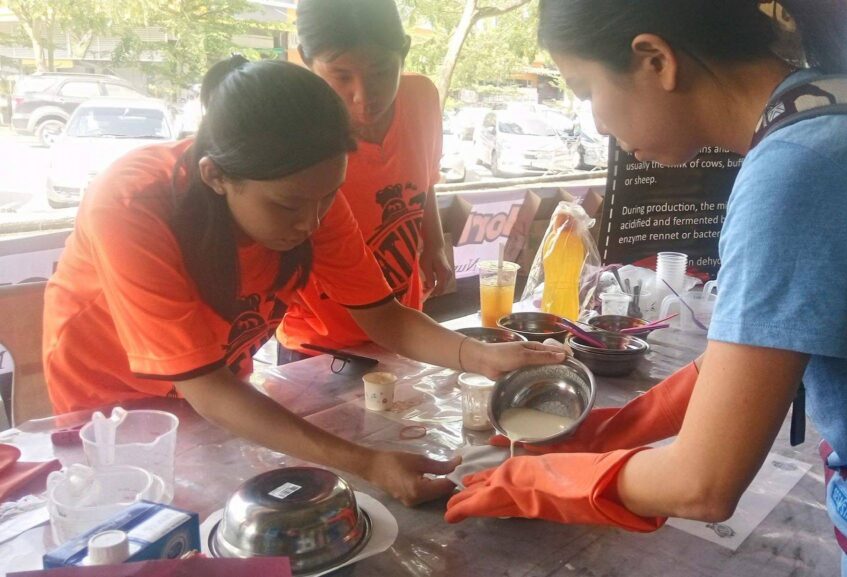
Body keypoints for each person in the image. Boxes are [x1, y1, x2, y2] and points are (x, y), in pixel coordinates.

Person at [445, 1, 847, 575]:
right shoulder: (839, 114)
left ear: (655, 60)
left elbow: (702, 483)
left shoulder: (800, 166)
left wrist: (535, 481)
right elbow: (745, 361)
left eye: (585, 89)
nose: (596, 124)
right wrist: (604, 434)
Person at [43, 57, 564, 506]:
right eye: (288, 206)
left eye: (328, 197)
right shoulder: (131, 207)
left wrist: (480, 356)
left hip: (219, 388)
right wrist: (367, 462)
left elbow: (383, 315)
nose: (312, 223)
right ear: (215, 176)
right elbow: (206, 388)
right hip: (113, 411)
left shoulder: (308, 194)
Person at [276, 0, 453, 359]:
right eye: (341, 76)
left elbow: (426, 178)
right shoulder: (293, 131)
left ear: (403, 53)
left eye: (381, 72)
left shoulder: (421, 97)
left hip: (404, 327)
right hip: (318, 343)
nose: (364, 96)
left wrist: (434, 243)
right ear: (307, 60)